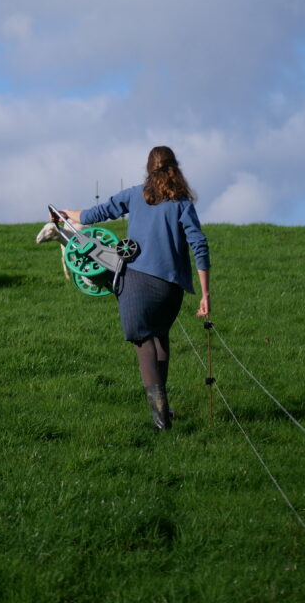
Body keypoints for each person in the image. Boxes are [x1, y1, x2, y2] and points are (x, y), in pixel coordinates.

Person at [59, 145, 210, 431]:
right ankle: (165, 411)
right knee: (160, 338)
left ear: (148, 168)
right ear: (175, 168)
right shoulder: (182, 203)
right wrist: (205, 294)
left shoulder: (134, 194)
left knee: (143, 342)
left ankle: (160, 421)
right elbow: (199, 245)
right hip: (172, 288)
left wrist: (68, 214)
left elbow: (96, 214)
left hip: (138, 282)